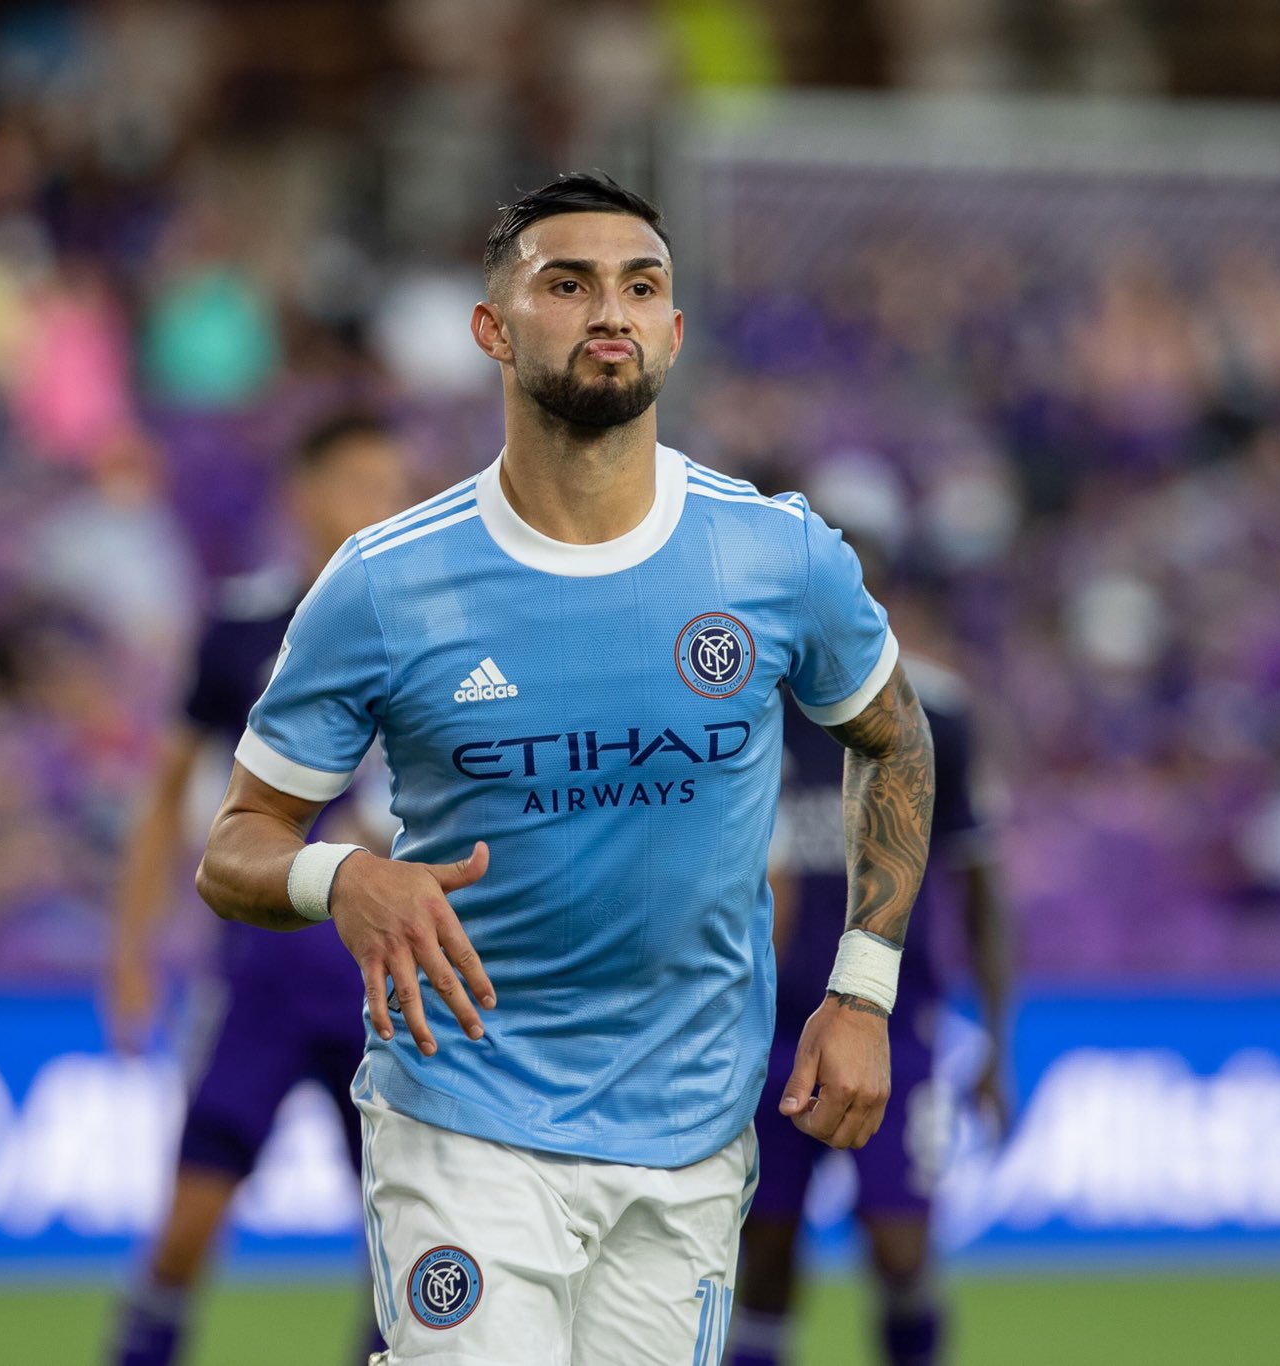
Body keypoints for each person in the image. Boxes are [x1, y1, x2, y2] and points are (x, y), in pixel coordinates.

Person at [195, 172, 936, 1365]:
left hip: (690, 1131)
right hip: (462, 1117)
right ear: (492, 328)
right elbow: (235, 843)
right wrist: (343, 877)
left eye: (639, 287)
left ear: (672, 332)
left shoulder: (775, 555)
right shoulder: (383, 582)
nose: (609, 311)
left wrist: (860, 990)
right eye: (568, 284)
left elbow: (894, 740)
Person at [105, 413, 414, 1366]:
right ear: (304, 495)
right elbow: (166, 793)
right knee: (188, 1222)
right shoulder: (242, 627)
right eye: (359, 482)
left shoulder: (434, 627)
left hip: (385, 978)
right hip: (260, 973)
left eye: (392, 485)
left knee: (408, 1245)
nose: (380, 504)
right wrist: (131, 952)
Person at [728, 481, 1015, 1366]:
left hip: (893, 1025)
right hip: (767, 1029)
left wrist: (996, 1042)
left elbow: (980, 887)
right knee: (763, 1254)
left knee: (900, 1247)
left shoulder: (936, 712)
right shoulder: (740, 703)